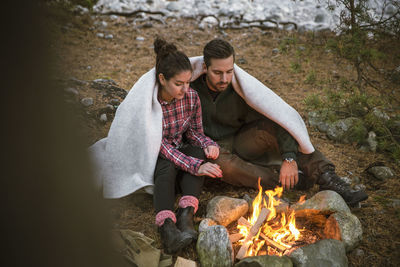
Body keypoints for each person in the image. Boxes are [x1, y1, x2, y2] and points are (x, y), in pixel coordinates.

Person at [190, 38, 368, 207]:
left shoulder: (239, 87)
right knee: (224, 165)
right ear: (205, 67)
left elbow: (277, 118)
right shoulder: (189, 88)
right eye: (218, 72)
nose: (224, 79)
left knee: (269, 129)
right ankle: (285, 182)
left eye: (229, 72)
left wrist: (289, 157)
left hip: (242, 141)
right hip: (211, 149)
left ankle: (327, 176)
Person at [152, 38, 222, 254]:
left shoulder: (191, 97)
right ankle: (167, 229)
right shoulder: (151, 104)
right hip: (156, 156)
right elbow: (159, 145)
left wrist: (208, 144)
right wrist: (194, 166)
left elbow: (193, 132)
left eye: (188, 82)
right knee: (167, 165)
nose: (185, 89)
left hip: (180, 150)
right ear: (162, 79)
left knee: (200, 154)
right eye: (178, 84)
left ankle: (186, 215)